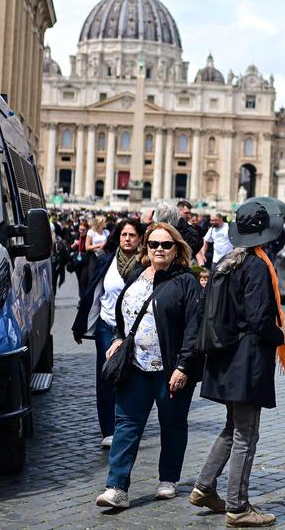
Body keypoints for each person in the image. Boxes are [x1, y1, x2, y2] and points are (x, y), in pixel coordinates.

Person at [191, 200, 285, 528]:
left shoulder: (225, 263)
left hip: (225, 358)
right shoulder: (257, 266)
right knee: (246, 433)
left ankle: (204, 487)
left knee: (232, 428)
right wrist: (282, 337)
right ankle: (238, 506)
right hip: (246, 361)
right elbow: (260, 319)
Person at [94, 223, 204, 510]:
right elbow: (124, 315)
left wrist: (183, 366)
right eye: (153, 244)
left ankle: (168, 478)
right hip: (134, 365)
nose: (158, 249)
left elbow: (194, 328)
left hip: (170, 368)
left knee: (173, 423)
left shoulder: (186, 282)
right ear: (146, 246)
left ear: (176, 249)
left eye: (166, 245)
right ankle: (116, 487)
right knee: (126, 424)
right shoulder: (135, 275)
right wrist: (119, 338)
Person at [72, 218, 144, 448]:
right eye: (124, 234)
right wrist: (80, 325)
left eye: (132, 235)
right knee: (107, 375)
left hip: (135, 330)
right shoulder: (106, 260)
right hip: (107, 325)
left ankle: (128, 424)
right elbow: (93, 291)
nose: (127, 239)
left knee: (132, 377)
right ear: (117, 236)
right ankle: (109, 429)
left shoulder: (145, 264)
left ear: (140, 238)